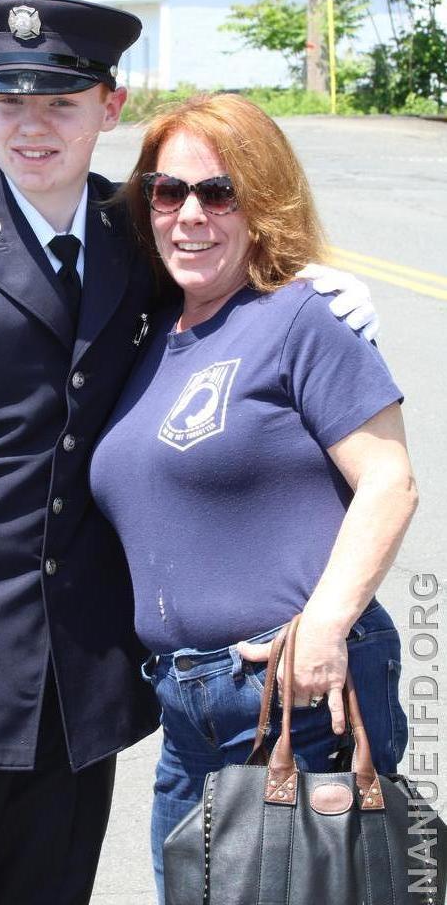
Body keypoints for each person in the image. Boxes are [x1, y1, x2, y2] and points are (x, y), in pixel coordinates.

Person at [0, 0, 380, 905]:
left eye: (61, 104)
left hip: (75, 683)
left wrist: (312, 283)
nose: (32, 128)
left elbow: (226, 280)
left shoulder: (137, 235)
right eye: (9, 103)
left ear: (109, 109)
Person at [89, 93, 418, 902]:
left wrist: (327, 625)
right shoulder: (149, 334)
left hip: (295, 694)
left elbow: (389, 481)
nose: (189, 215)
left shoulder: (301, 319)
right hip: (186, 707)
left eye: (218, 193)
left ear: (262, 202)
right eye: (168, 193)